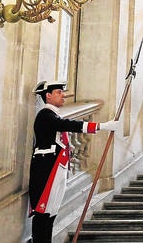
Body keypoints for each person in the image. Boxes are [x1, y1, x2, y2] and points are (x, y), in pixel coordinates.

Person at [29, 81, 118, 243]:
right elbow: (69, 125)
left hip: (56, 167)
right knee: (43, 212)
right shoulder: (45, 115)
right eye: (58, 92)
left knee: (51, 212)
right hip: (47, 169)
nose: (63, 95)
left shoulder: (53, 114)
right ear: (47, 96)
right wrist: (102, 126)